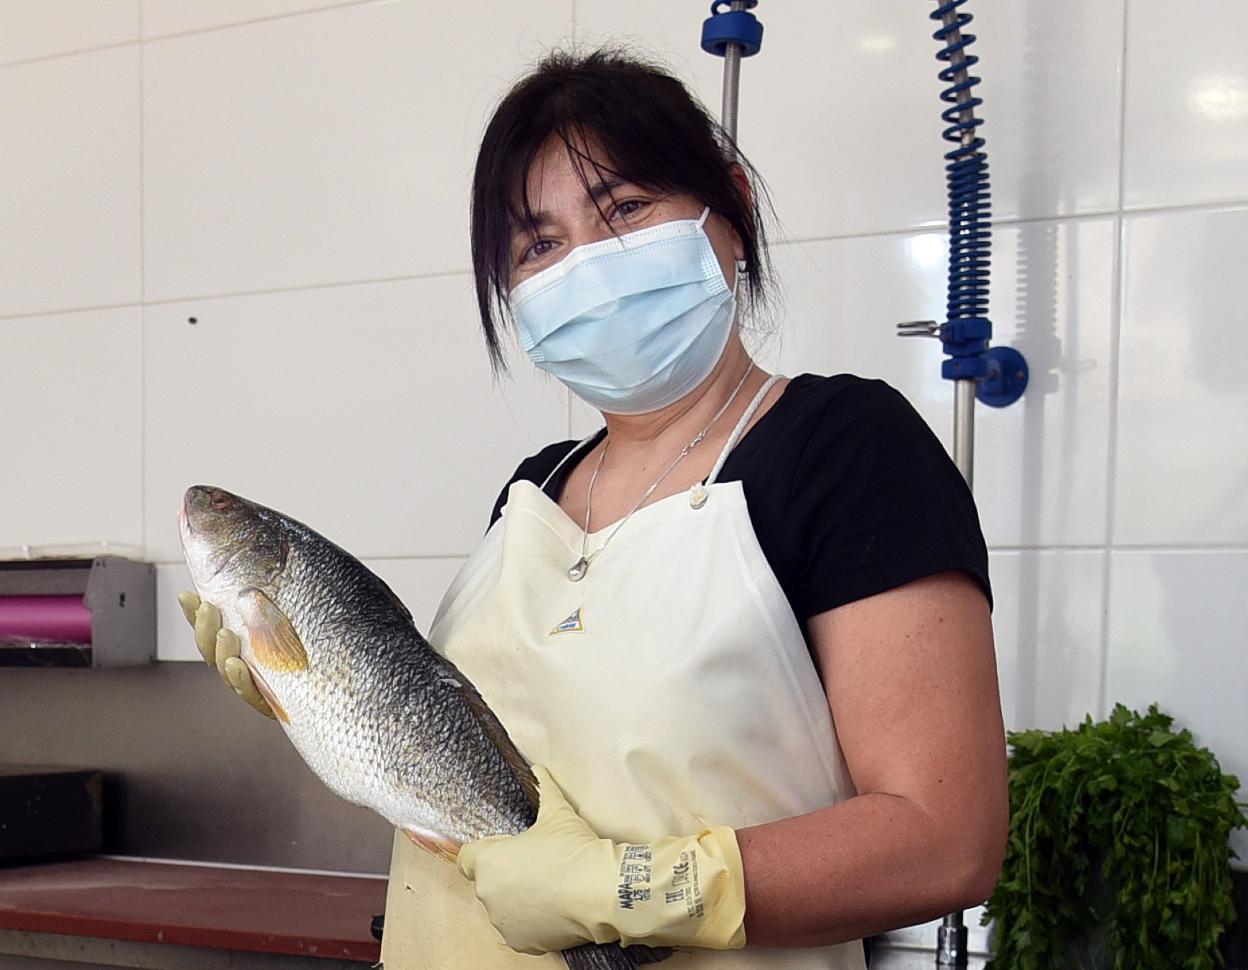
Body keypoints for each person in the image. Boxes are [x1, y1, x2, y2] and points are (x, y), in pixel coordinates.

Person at [181, 49, 1006, 970]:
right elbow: (465, 771)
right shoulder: (533, 490)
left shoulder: (843, 449)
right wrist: (317, 694)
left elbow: (945, 839)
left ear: (727, 212)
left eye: (625, 210)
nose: (587, 263)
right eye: (539, 245)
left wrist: (626, 895)